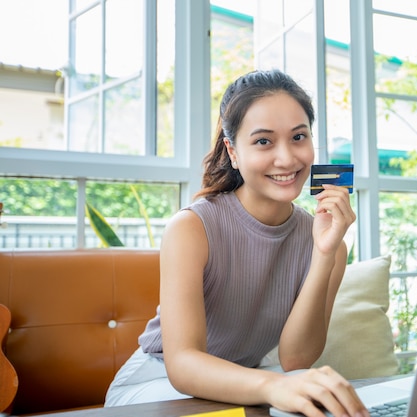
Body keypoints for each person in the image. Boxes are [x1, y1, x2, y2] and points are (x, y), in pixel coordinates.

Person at [104, 69, 367, 417]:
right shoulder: (192, 227)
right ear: (233, 151)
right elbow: (182, 363)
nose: (287, 158)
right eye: (263, 141)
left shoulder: (327, 242)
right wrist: (273, 387)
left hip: (244, 383)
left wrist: (324, 253)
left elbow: (296, 359)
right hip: (156, 385)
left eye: (299, 137)